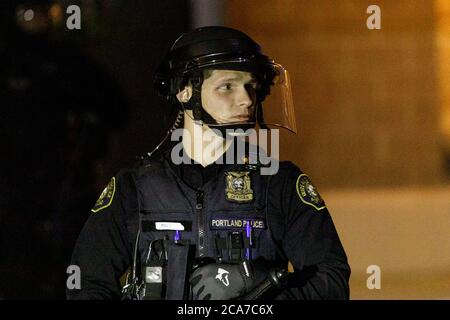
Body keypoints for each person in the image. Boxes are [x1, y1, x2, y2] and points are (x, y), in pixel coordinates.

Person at [67, 26, 350, 300]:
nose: (246, 100)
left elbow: (331, 281)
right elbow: (86, 282)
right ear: (185, 91)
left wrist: (253, 283)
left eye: (251, 86)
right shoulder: (134, 188)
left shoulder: (279, 184)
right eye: (227, 86)